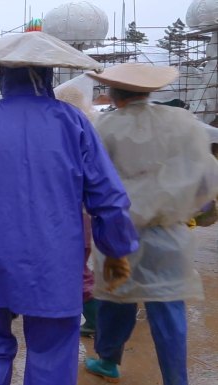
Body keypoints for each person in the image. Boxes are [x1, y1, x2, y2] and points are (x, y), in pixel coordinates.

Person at [0, 31, 139, 385]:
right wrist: (117, 250)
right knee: (52, 351)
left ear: (2, 75)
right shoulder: (73, 122)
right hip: (53, 260)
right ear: (47, 75)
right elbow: (108, 196)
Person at [84, 63, 218, 385]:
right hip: (169, 232)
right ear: (150, 90)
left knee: (116, 298)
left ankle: (108, 361)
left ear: (114, 94)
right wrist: (200, 210)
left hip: (120, 232)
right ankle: (176, 379)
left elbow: (94, 180)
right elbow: (207, 172)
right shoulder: (183, 122)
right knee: (168, 304)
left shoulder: (106, 127)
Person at [54, 77, 101, 337]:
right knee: (77, 269)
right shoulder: (89, 132)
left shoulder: (62, 136)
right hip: (84, 216)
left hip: (68, 218)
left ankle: (96, 320)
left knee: (76, 273)